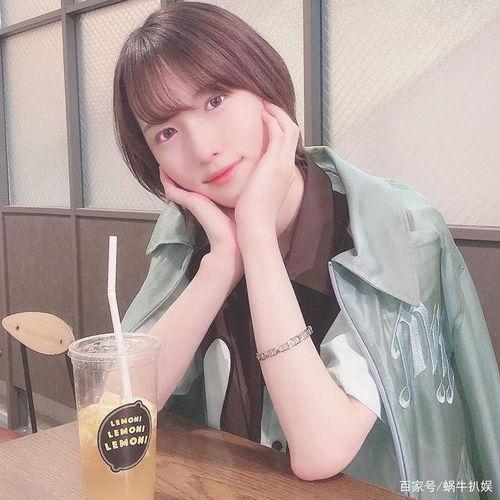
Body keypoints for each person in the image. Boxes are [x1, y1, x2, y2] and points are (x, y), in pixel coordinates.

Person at [113, 2, 499, 497]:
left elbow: (321, 451)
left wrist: (257, 240)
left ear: (264, 86)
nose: (204, 148)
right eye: (166, 132)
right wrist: (222, 264)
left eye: (215, 101)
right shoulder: (188, 234)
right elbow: (117, 410)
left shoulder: (392, 227)